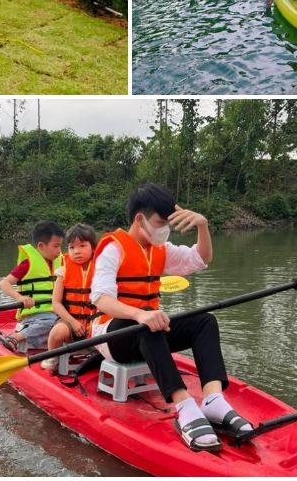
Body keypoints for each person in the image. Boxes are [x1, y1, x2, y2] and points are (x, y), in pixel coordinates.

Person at [90, 183, 253, 454]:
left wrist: (203, 226)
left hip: (147, 328)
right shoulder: (113, 249)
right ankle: (184, 405)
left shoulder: (160, 249)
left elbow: (200, 258)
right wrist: (140, 314)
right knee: (146, 326)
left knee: (204, 322)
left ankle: (212, 399)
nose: (164, 228)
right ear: (140, 220)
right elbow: (101, 299)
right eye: (160, 222)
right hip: (112, 334)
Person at [0, 220, 64, 354]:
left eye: (60, 246)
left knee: (68, 324)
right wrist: (20, 298)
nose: (59, 250)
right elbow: (3, 283)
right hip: (36, 315)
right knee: (52, 324)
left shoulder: (62, 261)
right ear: (41, 246)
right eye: (55, 246)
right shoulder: (27, 264)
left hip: (58, 312)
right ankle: (15, 338)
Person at [41, 223, 98, 373]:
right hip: (70, 319)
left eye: (82, 246)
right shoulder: (64, 270)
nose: (76, 251)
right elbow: (56, 303)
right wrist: (73, 322)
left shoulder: (102, 268)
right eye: (72, 247)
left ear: (93, 247)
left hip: (96, 321)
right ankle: (52, 358)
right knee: (57, 332)